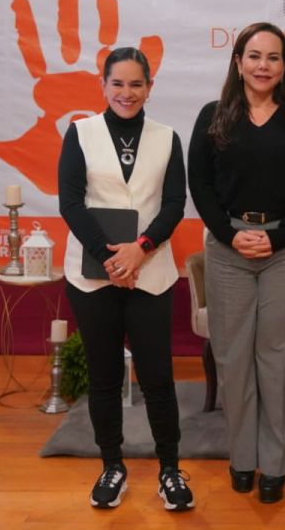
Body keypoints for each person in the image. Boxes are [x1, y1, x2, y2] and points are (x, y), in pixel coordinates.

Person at [187, 22, 285, 504]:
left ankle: (275, 465)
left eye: (272, 57)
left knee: (281, 359)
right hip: (228, 250)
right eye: (254, 56)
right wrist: (229, 235)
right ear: (238, 62)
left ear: (284, 65)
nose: (262, 65)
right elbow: (199, 184)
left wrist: (281, 237)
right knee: (234, 360)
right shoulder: (214, 116)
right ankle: (242, 458)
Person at [58, 47, 194, 511]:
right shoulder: (79, 133)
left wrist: (141, 250)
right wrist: (109, 258)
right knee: (104, 377)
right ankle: (111, 466)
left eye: (137, 84)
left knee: (158, 377)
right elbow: (71, 203)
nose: (127, 92)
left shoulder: (168, 137)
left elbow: (175, 203)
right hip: (93, 277)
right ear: (103, 85)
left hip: (151, 272)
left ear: (150, 88)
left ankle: (170, 470)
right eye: (118, 83)